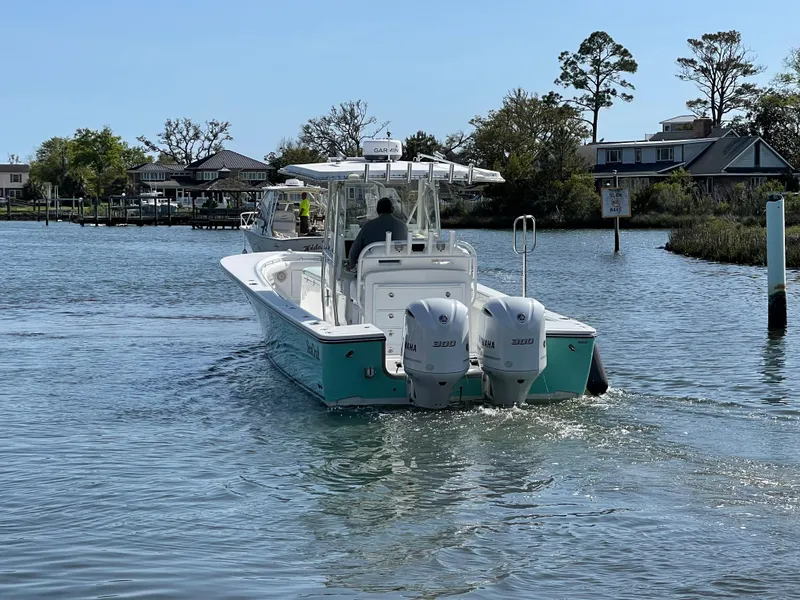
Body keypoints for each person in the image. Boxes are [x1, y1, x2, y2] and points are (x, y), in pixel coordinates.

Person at [347, 197, 408, 269]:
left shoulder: (368, 226)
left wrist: (351, 265)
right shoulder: (403, 226)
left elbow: (355, 250)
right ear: (392, 209)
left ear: (377, 210)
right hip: (399, 269)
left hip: (372, 271)